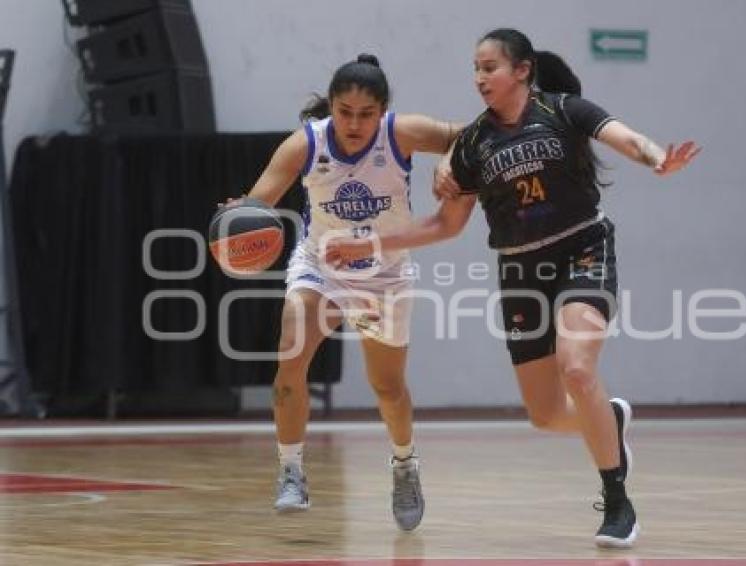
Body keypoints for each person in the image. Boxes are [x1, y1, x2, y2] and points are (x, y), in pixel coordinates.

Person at [325, 30, 700, 548]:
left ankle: (617, 502)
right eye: (475, 69)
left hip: (582, 248)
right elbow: (443, 226)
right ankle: (608, 421)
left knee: (576, 366)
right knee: (545, 415)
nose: (480, 78)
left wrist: (657, 157)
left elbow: (622, 136)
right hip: (521, 270)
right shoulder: (473, 144)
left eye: (490, 67)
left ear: (521, 70)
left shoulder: (564, 109)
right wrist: (370, 244)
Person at [237, 53, 462, 531]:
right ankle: (291, 470)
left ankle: (404, 463)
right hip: (322, 265)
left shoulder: (403, 132)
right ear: (331, 107)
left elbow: (470, 136)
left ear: (382, 111)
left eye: (365, 114)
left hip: (384, 274)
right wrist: (241, 215)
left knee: (388, 387)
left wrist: (447, 159)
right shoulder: (305, 145)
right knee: (290, 357)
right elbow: (260, 202)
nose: (354, 123)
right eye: (344, 112)